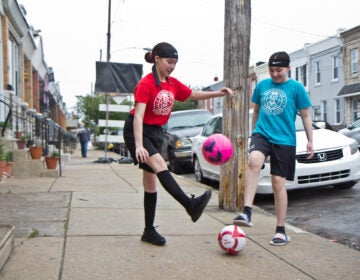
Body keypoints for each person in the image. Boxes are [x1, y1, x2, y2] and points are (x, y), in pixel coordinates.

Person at [123, 42, 233, 246]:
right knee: (160, 166)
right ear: (156, 59)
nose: (172, 66)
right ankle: (189, 204)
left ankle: (148, 231)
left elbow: (192, 94)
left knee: (151, 181)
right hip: (137, 131)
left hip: (156, 132)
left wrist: (218, 93)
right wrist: (138, 145)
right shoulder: (146, 83)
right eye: (168, 61)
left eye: (175, 62)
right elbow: (138, 116)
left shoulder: (172, 84)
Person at [232, 51, 314, 246]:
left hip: (285, 139)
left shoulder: (296, 88)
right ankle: (247, 212)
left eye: (279, 70)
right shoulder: (262, 86)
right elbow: (257, 112)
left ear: (288, 68)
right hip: (262, 133)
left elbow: (305, 116)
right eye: (271, 70)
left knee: (278, 183)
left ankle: (280, 230)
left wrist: (310, 140)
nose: (275, 74)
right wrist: (254, 133)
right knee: (254, 162)